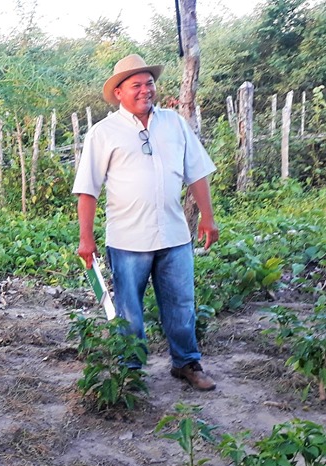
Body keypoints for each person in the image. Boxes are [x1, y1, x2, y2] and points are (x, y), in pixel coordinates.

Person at [73, 54, 220, 391]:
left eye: (148, 83)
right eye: (136, 85)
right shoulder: (104, 133)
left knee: (181, 303)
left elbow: (196, 172)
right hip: (127, 239)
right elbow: (87, 189)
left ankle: (186, 362)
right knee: (129, 310)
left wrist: (208, 219)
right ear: (120, 93)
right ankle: (131, 370)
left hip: (174, 234)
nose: (145, 90)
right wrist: (86, 238)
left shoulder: (174, 123)